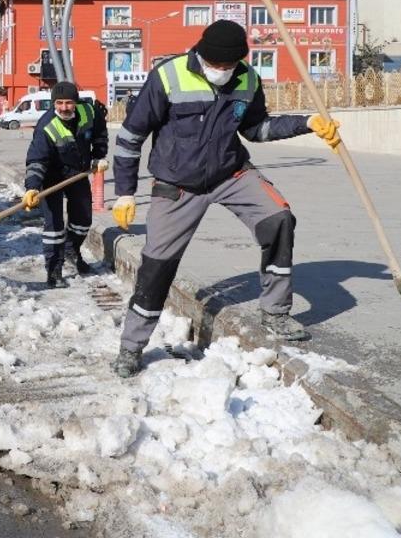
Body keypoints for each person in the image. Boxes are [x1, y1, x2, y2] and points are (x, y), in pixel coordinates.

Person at [109, 20, 341, 378]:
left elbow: (256, 128)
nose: (220, 72)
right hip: (177, 184)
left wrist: (306, 122)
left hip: (230, 173)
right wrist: (124, 192)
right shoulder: (168, 76)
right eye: (215, 64)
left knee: (278, 218)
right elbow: (130, 136)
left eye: (227, 66)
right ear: (201, 54)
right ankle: (131, 347)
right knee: (157, 264)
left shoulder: (247, 79)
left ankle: (275, 312)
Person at [23, 80, 110, 288]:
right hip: (50, 178)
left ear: (76, 102)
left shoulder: (89, 112)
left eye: (68, 103)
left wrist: (98, 156)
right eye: (59, 103)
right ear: (54, 104)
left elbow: (100, 134)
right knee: (54, 227)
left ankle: (72, 250)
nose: (64, 107)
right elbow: (37, 159)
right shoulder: (47, 126)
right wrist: (32, 187)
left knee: (83, 220)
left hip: (77, 174)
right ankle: (54, 271)